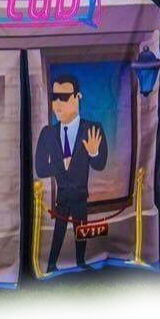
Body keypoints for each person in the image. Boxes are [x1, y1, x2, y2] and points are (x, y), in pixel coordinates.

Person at [35, 74, 108, 273]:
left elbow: (100, 165)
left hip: (81, 196)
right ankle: (51, 264)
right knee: (58, 232)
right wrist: (61, 165)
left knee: (80, 229)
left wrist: (93, 153)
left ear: (77, 98)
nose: (58, 103)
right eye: (55, 97)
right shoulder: (48, 133)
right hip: (62, 197)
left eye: (64, 97)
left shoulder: (92, 129)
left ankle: (81, 261)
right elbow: (40, 169)